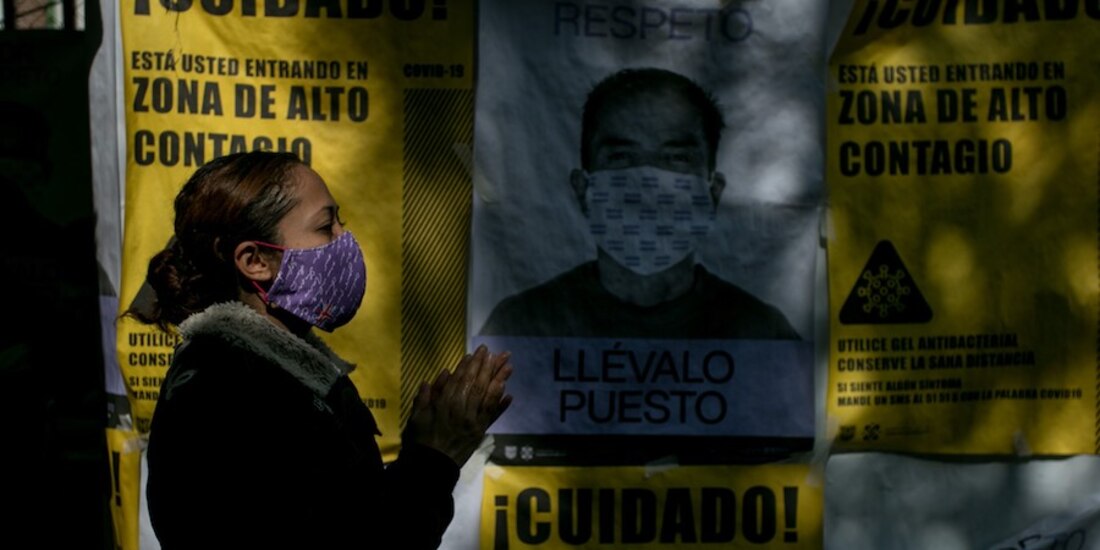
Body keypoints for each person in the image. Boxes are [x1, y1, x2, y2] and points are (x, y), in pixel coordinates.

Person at [127, 151, 513, 549]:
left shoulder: (265, 373)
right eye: (326, 226)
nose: (345, 239)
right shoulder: (232, 395)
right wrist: (435, 458)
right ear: (254, 261)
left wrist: (418, 455)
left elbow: (347, 513)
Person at [479, 68, 800, 339]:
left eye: (675, 159)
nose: (648, 185)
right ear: (582, 190)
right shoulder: (521, 326)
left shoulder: (761, 333)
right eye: (621, 157)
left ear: (712, 193)